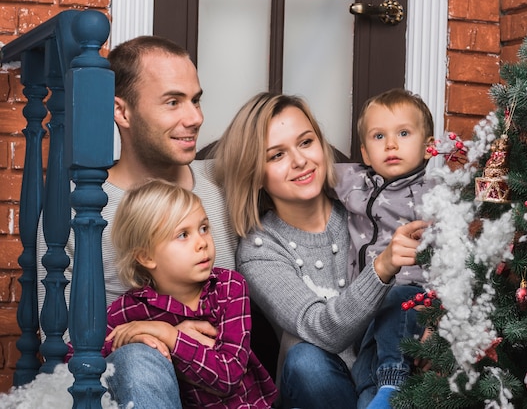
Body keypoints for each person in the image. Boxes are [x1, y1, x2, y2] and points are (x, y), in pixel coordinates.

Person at [36, 35, 238, 407]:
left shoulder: (225, 186)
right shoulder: (78, 205)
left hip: (225, 385)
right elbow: (63, 345)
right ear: (122, 111)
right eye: (173, 102)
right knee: (138, 357)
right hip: (132, 387)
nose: (195, 118)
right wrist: (164, 335)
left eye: (196, 100)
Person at [211, 92, 429, 409]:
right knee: (304, 359)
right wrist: (381, 268)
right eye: (276, 155)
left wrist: (437, 323)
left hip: (391, 375)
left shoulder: (368, 204)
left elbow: (441, 264)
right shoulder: (260, 249)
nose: (300, 161)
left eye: (305, 142)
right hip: (321, 389)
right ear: (254, 174)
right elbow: (322, 330)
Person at [64, 179, 277, 408]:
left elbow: (228, 376)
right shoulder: (132, 308)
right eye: (183, 235)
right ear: (146, 257)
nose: (202, 243)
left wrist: (168, 335)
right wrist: (133, 342)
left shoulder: (229, 288)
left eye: (204, 228)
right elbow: (73, 358)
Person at [334, 88, 436, 408]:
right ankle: (378, 394)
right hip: (368, 314)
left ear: (429, 147)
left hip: (416, 306)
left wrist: (437, 318)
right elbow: (311, 169)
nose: (391, 144)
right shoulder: (354, 182)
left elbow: (455, 262)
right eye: (379, 136)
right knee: (367, 382)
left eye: (404, 133)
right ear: (365, 153)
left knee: (397, 296)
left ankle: (394, 381)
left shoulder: (434, 197)